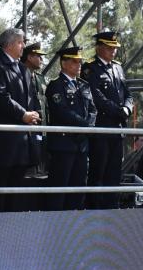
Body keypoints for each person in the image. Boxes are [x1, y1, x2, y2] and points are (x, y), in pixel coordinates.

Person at [0, 27, 41, 212]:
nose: (23, 46)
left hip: (21, 141)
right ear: (8, 45)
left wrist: (33, 113)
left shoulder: (22, 68)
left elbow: (31, 96)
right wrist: (23, 114)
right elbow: (0, 97)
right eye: (20, 42)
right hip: (3, 142)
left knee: (16, 190)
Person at [82, 31, 133, 209]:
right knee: (99, 171)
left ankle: (112, 207)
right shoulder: (90, 68)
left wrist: (127, 108)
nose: (113, 52)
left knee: (114, 172)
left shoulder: (118, 68)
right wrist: (119, 111)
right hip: (101, 128)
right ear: (100, 48)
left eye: (115, 48)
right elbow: (96, 97)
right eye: (110, 48)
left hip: (117, 129)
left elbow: (127, 93)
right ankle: (95, 209)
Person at [44, 46, 95, 211]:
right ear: (64, 63)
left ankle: (75, 225)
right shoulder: (56, 86)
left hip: (82, 145)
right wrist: (85, 126)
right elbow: (62, 112)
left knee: (79, 188)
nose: (79, 65)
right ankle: (56, 226)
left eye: (80, 61)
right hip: (64, 145)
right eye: (74, 61)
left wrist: (89, 127)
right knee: (60, 188)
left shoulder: (84, 86)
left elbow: (93, 110)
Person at [22, 42, 48, 124]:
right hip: (27, 123)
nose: (41, 60)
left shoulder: (41, 78)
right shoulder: (20, 77)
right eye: (39, 56)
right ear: (29, 57)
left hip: (43, 126)